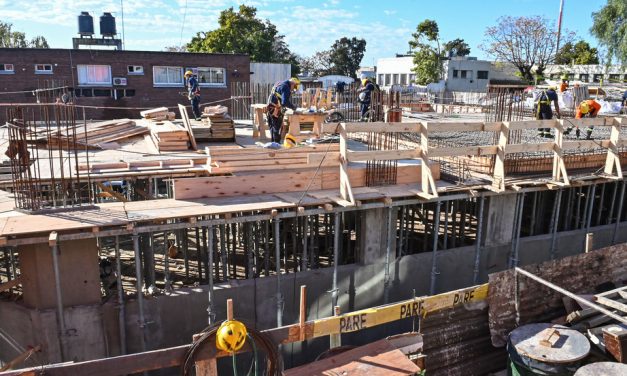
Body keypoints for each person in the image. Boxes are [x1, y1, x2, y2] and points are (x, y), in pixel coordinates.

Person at [266, 77, 300, 144]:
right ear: (292, 84)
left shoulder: (279, 83)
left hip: (270, 107)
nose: (293, 89)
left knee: (272, 126)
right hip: (276, 109)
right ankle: (277, 143)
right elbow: (285, 102)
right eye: (294, 87)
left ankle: (273, 143)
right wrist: (294, 107)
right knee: (277, 127)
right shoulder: (286, 87)